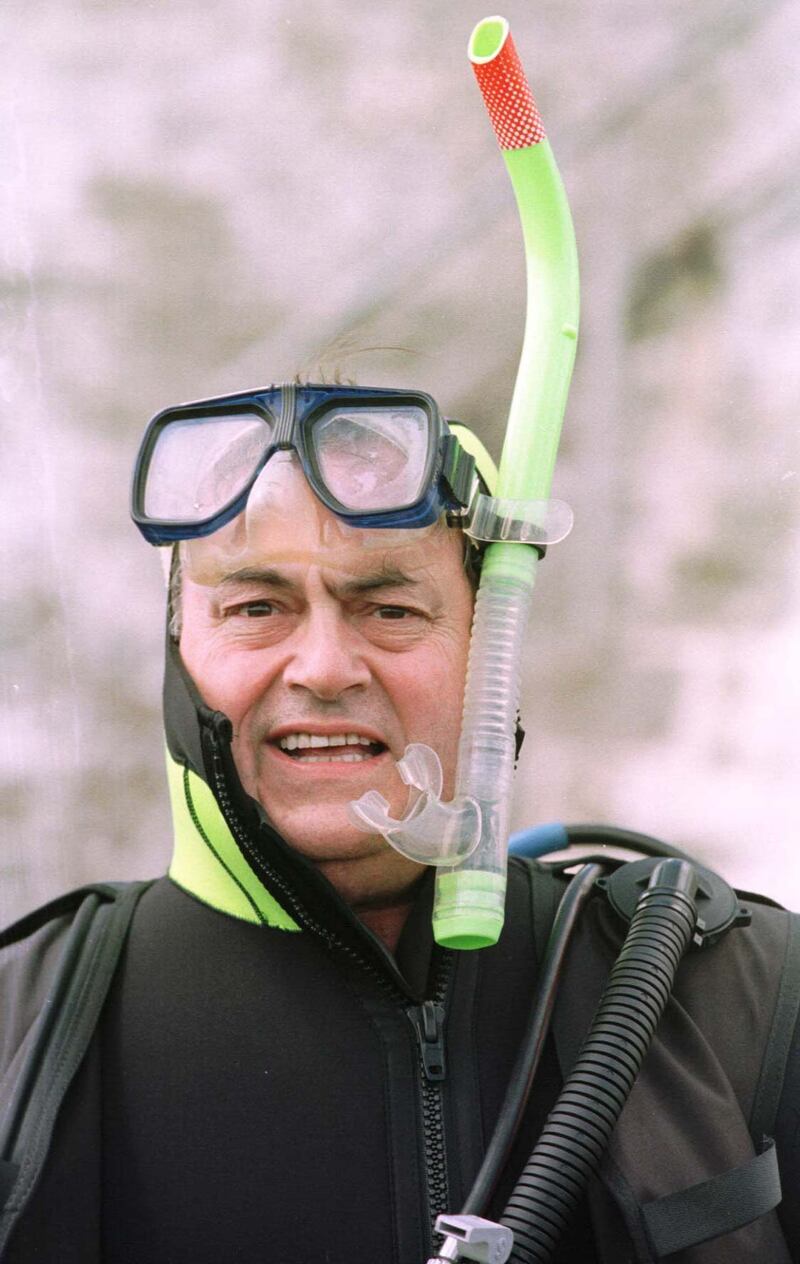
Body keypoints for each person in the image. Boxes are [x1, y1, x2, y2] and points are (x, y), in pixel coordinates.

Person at [0, 381, 798, 1264]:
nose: (327, 666)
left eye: (391, 608)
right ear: (178, 644)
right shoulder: (22, 1033)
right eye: (257, 608)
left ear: (490, 645)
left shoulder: (735, 1002)